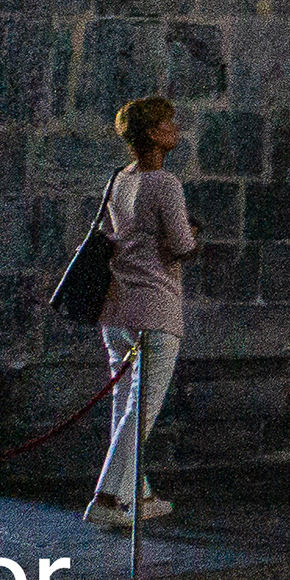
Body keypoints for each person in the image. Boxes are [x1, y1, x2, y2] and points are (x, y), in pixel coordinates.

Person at [88, 96, 198, 529]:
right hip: (155, 308)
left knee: (124, 406)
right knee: (142, 408)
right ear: (152, 133)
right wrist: (194, 235)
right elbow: (182, 247)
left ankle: (139, 492)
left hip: (116, 310)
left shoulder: (119, 180)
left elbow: (117, 237)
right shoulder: (164, 183)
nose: (175, 127)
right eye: (168, 122)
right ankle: (109, 496)